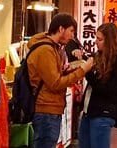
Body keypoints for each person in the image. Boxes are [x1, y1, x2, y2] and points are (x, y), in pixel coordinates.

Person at [27, 13, 95, 148]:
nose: (72, 36)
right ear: (61, 29)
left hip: (51, 108)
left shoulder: (53, 48)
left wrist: (70, 70)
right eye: (71, 31)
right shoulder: (46, 50)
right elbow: (55, 83)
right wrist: (82, 70)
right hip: (46, 109)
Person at [79, 23, 117, 148]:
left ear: (110, 41)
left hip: (103, 114)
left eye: (100, 39)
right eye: (96, 38)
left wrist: (88, 73)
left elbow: (110, 91)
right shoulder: (98, 56)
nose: (96, 42)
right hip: (88, 112)